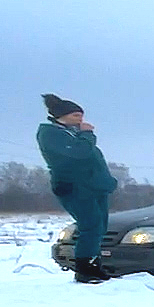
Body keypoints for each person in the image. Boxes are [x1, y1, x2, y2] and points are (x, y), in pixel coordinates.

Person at [35, 94, 118, 283]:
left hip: (95, 187)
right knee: (90, 226)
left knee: (99, 227)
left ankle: (95, 265)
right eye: (75, 116)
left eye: (81, 115)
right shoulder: (50, 133)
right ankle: (84, 268)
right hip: (76, 188)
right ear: (60, 115)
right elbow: (79, 153)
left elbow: (91, 158)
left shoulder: (72, 133)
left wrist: (107, 181)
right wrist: (87, 134)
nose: (80, 119)